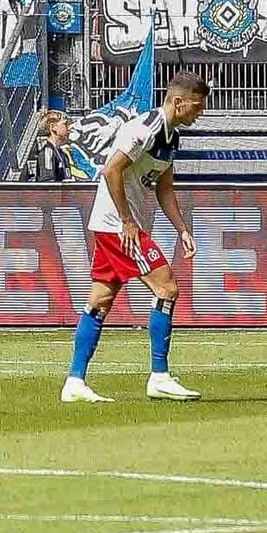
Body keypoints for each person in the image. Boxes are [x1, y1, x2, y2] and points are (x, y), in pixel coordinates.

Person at [61, 72, 211, 405]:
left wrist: (182, 229)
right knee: (167, 287)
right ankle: (159, 376)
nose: (199, 113)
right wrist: (128, 221)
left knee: (100, 299)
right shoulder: (145, 128)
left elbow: (165, 188)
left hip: (114, 223)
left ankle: (74, 381)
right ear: (178, 101)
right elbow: (111, 169)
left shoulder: (171, 138)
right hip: (118, 225)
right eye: (197, 106)